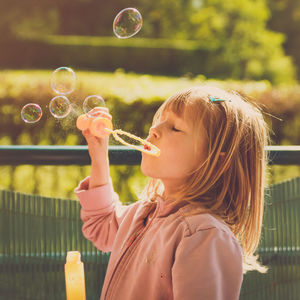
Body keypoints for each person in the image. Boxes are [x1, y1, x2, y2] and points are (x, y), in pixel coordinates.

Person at [75, 85, 269, 300]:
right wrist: (99, 153)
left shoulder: (204, 236)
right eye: (159, 121)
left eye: (175, 127)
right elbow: (102, 224)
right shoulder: (143, 214)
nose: (153, 130)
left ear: (215, 161)